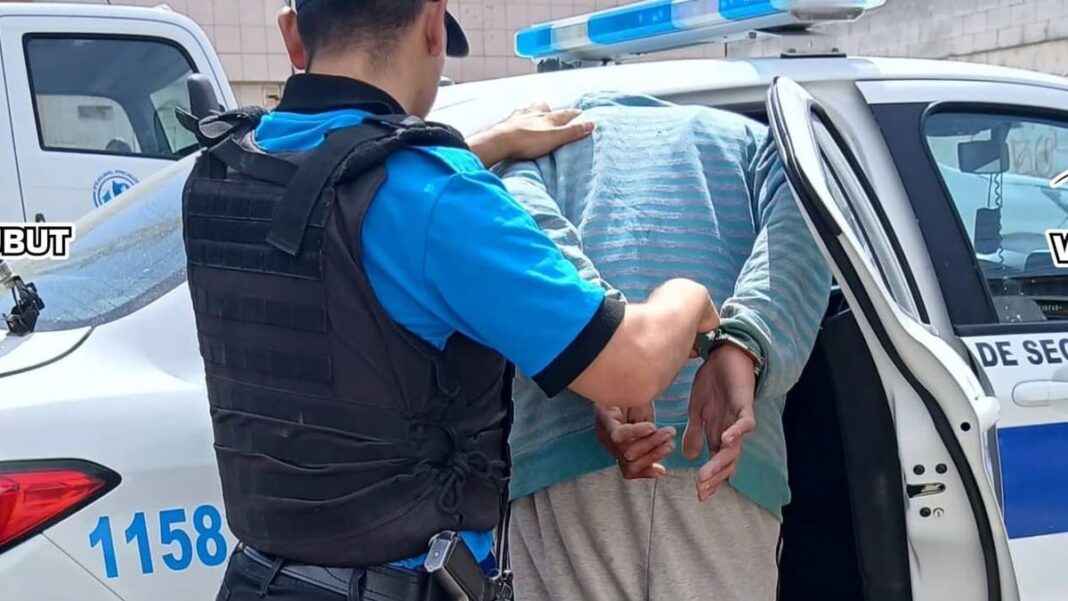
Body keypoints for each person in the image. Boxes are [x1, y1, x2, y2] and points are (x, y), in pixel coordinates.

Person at [180, 3, 724, 601]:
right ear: (434, 27)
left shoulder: (224, 169)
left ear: (291, 35)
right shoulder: (438, 197)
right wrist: (689, 295)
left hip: (257, 580)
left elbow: (333, 195)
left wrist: (489, 144)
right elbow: (629, 365)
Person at [498, 93, 833, 601]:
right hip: (724, 459)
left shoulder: (536, 141)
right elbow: (803, 233)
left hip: (565, 462)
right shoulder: (763, 145)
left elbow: (524, 235)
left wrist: (608, 360)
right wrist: (742, 344)